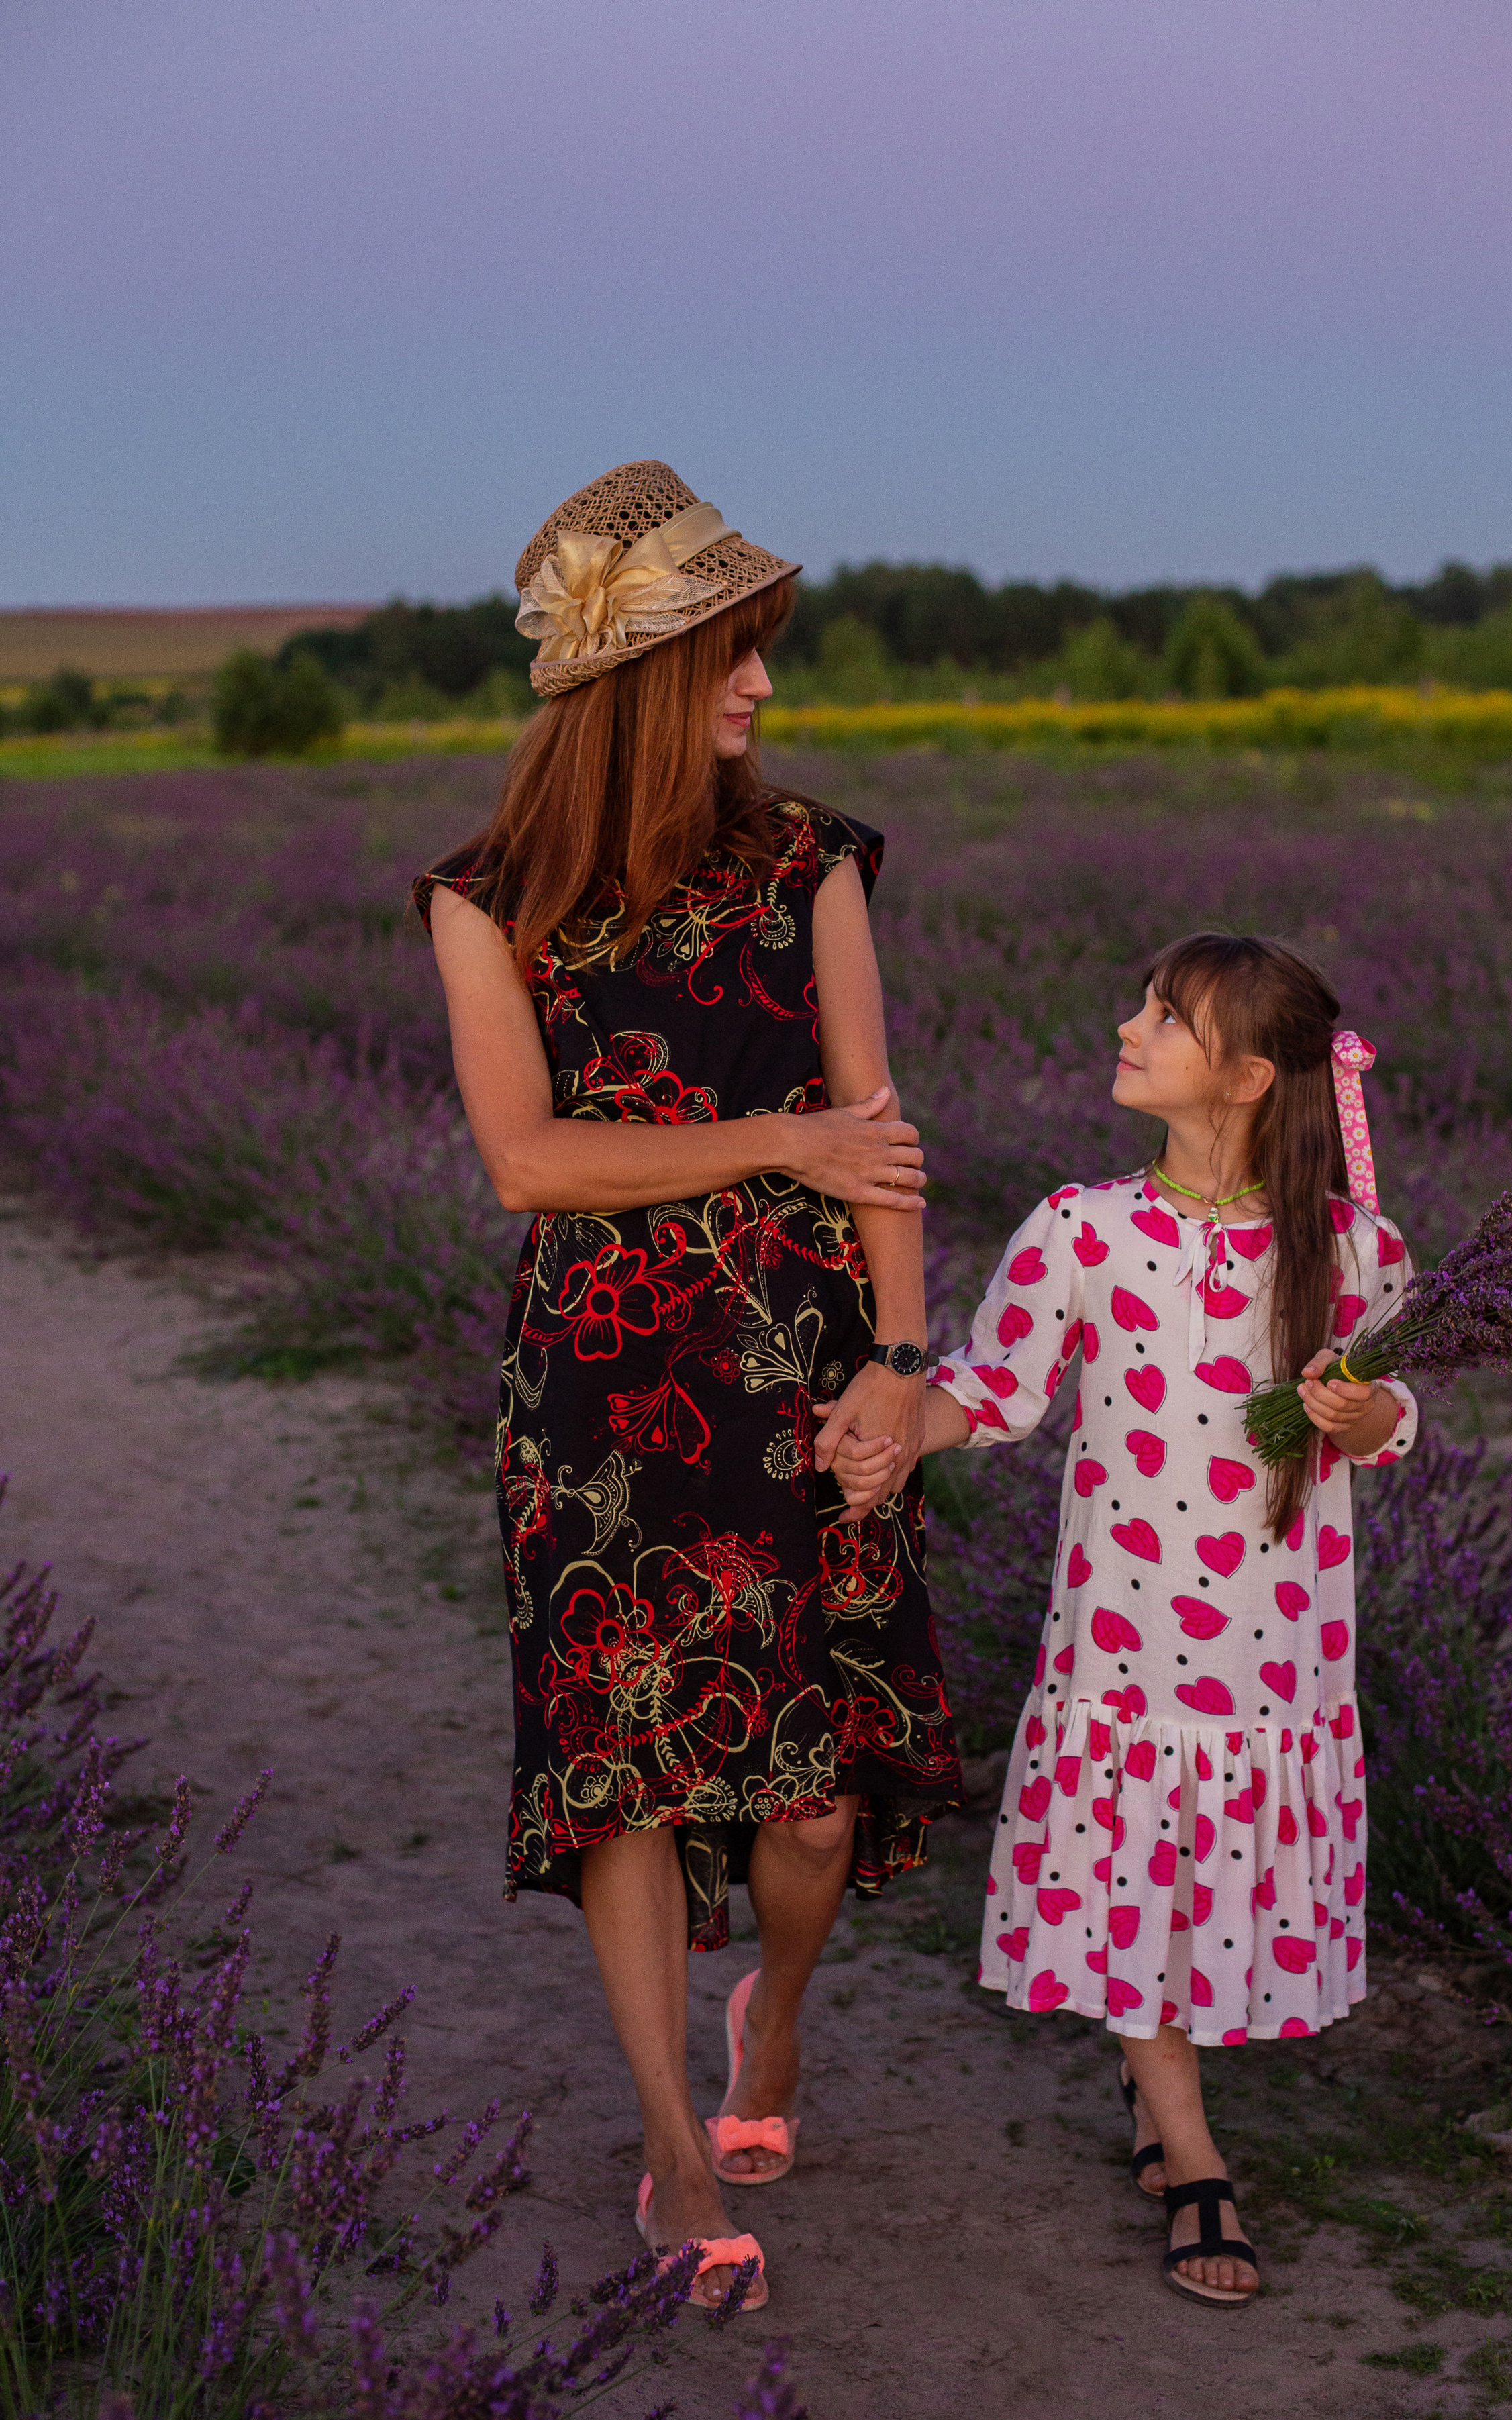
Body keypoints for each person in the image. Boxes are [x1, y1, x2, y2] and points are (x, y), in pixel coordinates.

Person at [416, 460, 958, 2312]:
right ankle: (665, 2136)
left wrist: (899, 1372)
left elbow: (877, 1147)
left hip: (808, 1371)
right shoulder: (485, 901)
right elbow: (529, 1163)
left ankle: (775, 2014)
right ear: (645, 669)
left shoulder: (811, 863)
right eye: (735, 653)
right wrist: (774, 1139)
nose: (763, 688)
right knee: (626, 1783)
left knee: (810, 1802)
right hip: (599, 1391)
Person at [820, 934, 1415, 2307]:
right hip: (1126, 1652)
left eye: (1165, 1017)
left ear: (1252, 1077)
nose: (1126, 1025)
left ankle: (1163, 2097)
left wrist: (1358, 1408)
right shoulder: (1079, 1231)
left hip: (1277, 1657)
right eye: (1141, 1003)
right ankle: (1193, 2153)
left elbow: (1396, 1424)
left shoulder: (1352, 1251)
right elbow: (998, 1385)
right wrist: (900, 1429)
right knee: (1142, 1874)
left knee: (1208, 1885)